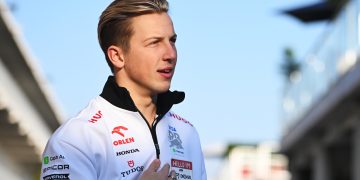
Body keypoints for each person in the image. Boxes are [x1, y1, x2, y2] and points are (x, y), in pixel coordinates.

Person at [40, 0, 207, 179]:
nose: (170, 54)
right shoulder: (76, 138)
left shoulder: (187, 133)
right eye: (154, 43)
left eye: (172, 41)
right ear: (117, 56)